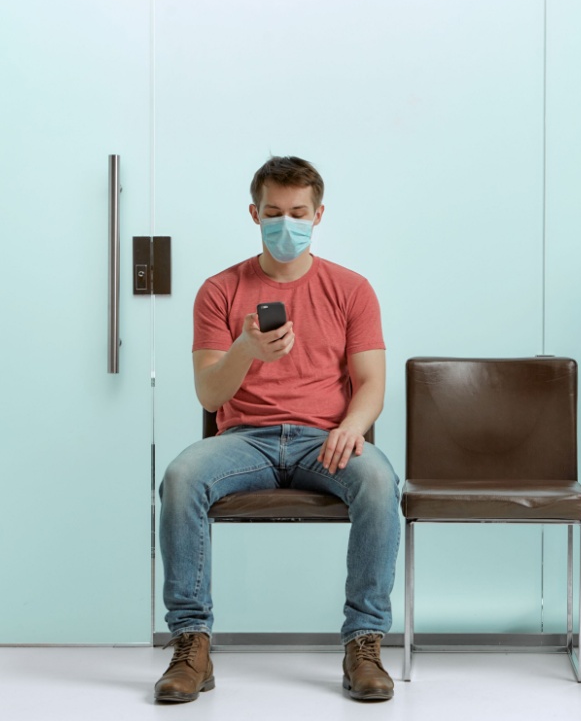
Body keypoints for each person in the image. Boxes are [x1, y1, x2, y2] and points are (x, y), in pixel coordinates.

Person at [154, 156, 400, 704]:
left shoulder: (351, 289)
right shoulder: (219, 290)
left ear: (317, 216)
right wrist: (245, 347)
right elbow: (209, 395)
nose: (284, 224)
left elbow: (371, 384)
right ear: (253, 213)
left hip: (325, 439)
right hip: (245, 440)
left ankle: (364, 642)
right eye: (272, 213)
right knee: (180, 477)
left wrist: (352, 426)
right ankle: (191, 642)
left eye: (296, 213)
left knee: (381, 481)